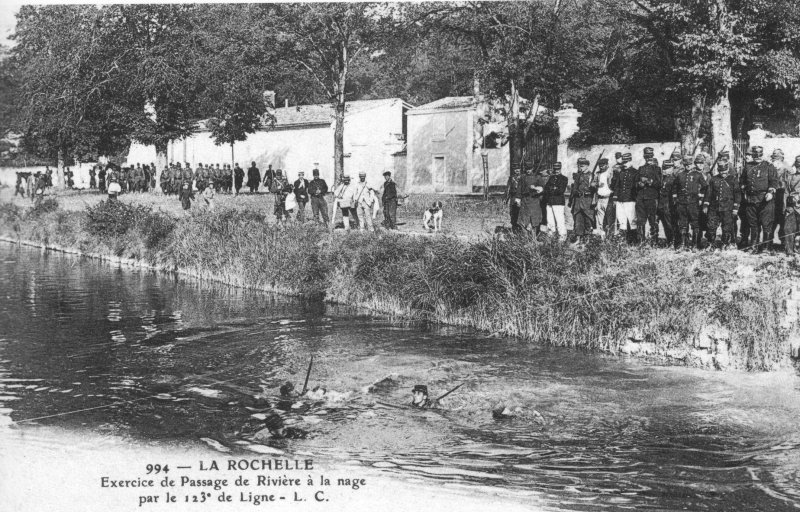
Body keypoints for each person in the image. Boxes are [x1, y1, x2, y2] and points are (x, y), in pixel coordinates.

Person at [741, 146, 779, 252]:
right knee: (753, 223)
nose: (757, 157)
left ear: (762, 154)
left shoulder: (769, 166)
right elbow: (742, 180)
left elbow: (774, 182)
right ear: (752, 155)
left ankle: (766, 248)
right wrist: (744, 189)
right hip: (751, 199)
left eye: (760, 154)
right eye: (755, 155)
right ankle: (753, 247)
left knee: (766, 224)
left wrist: (771, 192)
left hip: (765, 199)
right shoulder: (748, 166)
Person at [703, 151, 740, 249]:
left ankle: (725, 244)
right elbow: (709, 193)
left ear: (728, 169)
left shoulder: (733, 179)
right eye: (721, 171)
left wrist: (735, 208)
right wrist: (706, 205)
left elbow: (737, 194)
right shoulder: (713, 179)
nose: (723, 174)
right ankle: (710, 244)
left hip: (727, 207)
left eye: (725, 171)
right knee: (711, 226)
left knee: (727, 227)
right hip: (714, 208)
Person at [672, 155, 707, 250]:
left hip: (693, 203)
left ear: (693, 164)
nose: (688, 166)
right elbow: (674, 187)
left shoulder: (698, 174)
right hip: (682, 203)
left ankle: (695, 245)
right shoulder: (680, 175)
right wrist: (675, 198)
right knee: (683, 224)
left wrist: (700, 198)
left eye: (690, 164)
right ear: (684, 164)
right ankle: (683, 244)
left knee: (695, 224)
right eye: (686, 164)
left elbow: (705, 187)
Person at [635, 148, 662, 245]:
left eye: (650, 156)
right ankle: (641, 241)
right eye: (646, 156)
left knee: (653, 220)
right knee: (640, 220)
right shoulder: (641, 168)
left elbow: (659, 184)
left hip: (651, 197)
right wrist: (639, 184)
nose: (648, 158)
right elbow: (635, 183)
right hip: (641, 198)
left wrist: (649, 182)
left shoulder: (657, 169)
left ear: (653, 156)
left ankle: (654, 241)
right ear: (644, 157)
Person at [611, 152, 638, 243]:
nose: (624, 164)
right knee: (621, 220)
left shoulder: (635, 172)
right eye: (623, 162)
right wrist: (615, 198)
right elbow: (617, 186)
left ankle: (633, 241)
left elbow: (635, 187)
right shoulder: (621, 172)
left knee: (632, 221)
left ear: (630, 161)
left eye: (626, 162)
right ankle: (623, 241)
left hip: (630, 200)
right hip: (620, 200)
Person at [569, 157, 596, 244]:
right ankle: (578, 238)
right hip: (577, 200)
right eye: (580, 166)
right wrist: (571, 200)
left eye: (583, 166)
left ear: (587, 166)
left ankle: (587, 239)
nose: (581, 168)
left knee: (588, 220)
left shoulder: (592, 175)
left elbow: (596, 189)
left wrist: (594, 185)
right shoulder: (578, 176)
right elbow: (574, 189)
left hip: (587, 200)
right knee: (578, 219)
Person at [516, 165, 546, 237]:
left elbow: (543, 188)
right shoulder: (522, 177)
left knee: (534, 219)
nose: (528, 171)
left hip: (534, 200)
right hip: (525, 200)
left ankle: (534, 238)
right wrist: (518, 199)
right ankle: (525, 238)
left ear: (532, 168)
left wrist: (536, 188)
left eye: (529, 169)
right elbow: (519, 189)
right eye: (526, 169)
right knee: (523, 219)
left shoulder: (538, 177)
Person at [771, 149, 791, 250]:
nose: (775, 159)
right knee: (771, 219)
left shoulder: (787, 167)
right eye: (774, 157)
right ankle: (769, 242)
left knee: (783, 220)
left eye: (778, 157)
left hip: (783, 196)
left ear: (782, 157)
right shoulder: (769, 167)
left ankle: (783, 243)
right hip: (772, 196)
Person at [543, 162, 568, 240]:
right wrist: (553, 189)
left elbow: (561, 190)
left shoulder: (564, 178)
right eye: (555, 169)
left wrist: (552, 189)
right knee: (550, 220)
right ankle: (551, 235)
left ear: (560, 169)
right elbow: (546, 189)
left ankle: (562, 236)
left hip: (558, 202)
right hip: (550, 202)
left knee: (560, 220)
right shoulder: (551, 178)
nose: (556, 171)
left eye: (558, 169)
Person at [658, 160, 677, 247]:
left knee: (670, 225)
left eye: (667, 168)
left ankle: (673, 242)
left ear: (672, 169)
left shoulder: (674, 180)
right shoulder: (663, 179)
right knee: (665, 225)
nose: (664, 170)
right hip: (661, 206)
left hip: (669, 206)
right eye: (664, 168)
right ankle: (669, 241)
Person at [784, 156, 800, 256]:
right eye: (798, 163)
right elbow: (786, 192)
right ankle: (789, 251)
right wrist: (785, 207)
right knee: (788, 229)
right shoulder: (790, 176)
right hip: (791, 206)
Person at [593, 158, 613, 238]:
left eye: (603, 165)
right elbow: (592, 184)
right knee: (599, 220)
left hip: (608, 199)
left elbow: (614, 185)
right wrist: (597, 184)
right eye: (600, 166)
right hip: (599, 199)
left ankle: (610, 238)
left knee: (609, 219)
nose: (601, 167)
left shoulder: (611, 173)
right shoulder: (597, 174)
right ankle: (601, 238)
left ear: (607, 165)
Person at [504, 167, 522, 232]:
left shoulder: (523, 177)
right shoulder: (511, 178)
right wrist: (506, 198)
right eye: (515, 169)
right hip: (513, 197)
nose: (517, 170)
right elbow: (508, 189)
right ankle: (514, 227)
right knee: (512, 212)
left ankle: (520, 228)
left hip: (521, 197)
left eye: (518, 169)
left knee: (520, 212)